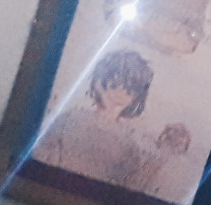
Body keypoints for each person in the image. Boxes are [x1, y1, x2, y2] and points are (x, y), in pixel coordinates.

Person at [35, 50, 161, 189]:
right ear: (99, 83)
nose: (119, 94)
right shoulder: (71, 118)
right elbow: (40, 153)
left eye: (129, 91)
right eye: (113, 86)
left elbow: (126, 186)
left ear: (137, 97)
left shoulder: (129, 145)